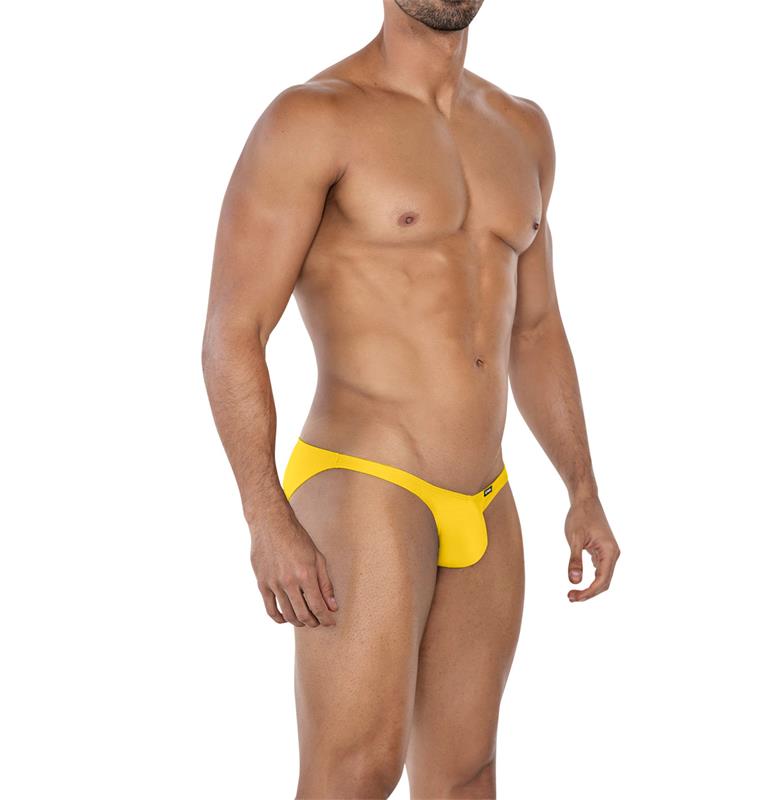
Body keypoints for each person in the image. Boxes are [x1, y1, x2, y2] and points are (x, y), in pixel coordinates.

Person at [202, 1, 621, 796]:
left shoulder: (522, 129)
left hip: (487, 495)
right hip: (366, 478)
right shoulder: (313, 119)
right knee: (355, 773)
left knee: (467, 775)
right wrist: (264, 515)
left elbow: (535, 330)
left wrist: (582, 488)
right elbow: (233, 330)